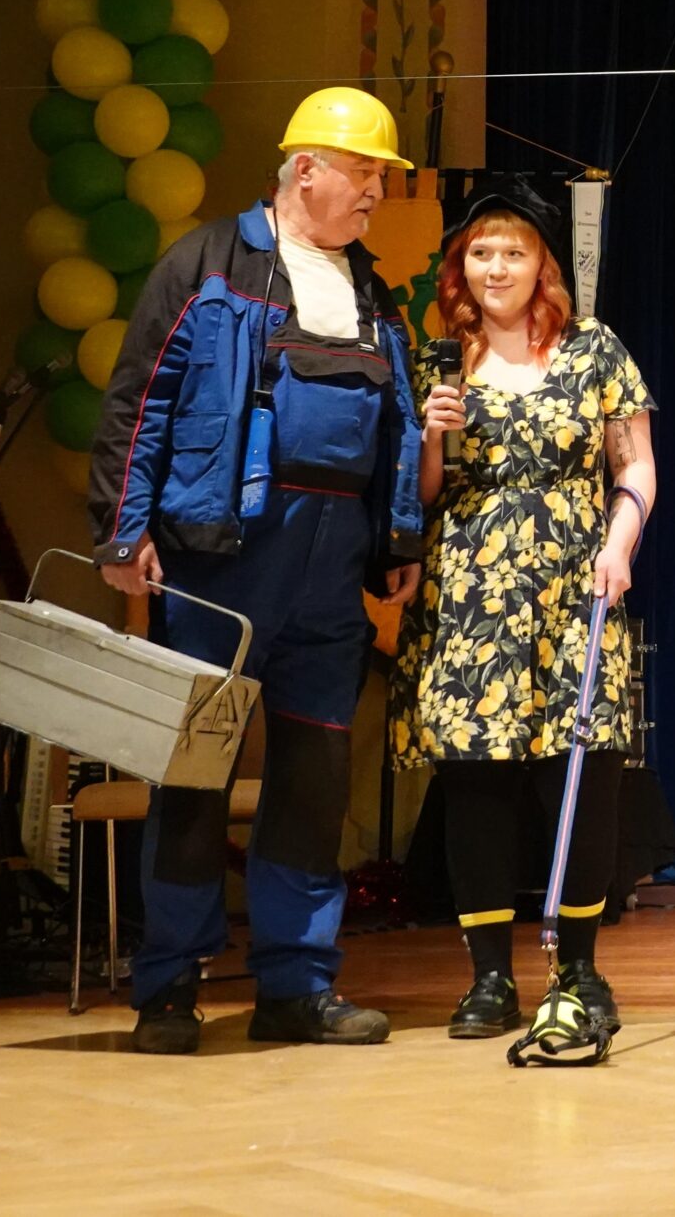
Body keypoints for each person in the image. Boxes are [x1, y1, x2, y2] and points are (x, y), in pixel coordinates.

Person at [88, 87, 426, 1055]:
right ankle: (168, 989)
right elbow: (139, 399)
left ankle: (296, 987)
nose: (376, 192)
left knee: (314, 782)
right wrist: (123, 532)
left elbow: (398, 422)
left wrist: (397, 541)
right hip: (220, 559)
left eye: (382, 176)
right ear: (304, 169)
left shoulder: (373, 293)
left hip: (330, 568)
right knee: (192, 778)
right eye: (363, 172)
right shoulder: (205, 263)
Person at [389, 181, 657, 1040]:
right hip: (470, 592)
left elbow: (635, 464)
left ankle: (578, 969)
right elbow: (423, 494)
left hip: (576, 585)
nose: (497, 267)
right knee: (476, 781)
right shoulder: (440, 359)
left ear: (544, 263)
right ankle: (489, 978)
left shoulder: (593, 349)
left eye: (514, 251)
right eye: (481, 252)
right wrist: (429, 436)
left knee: (582, 774)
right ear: (459, 266)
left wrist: (620, 543)